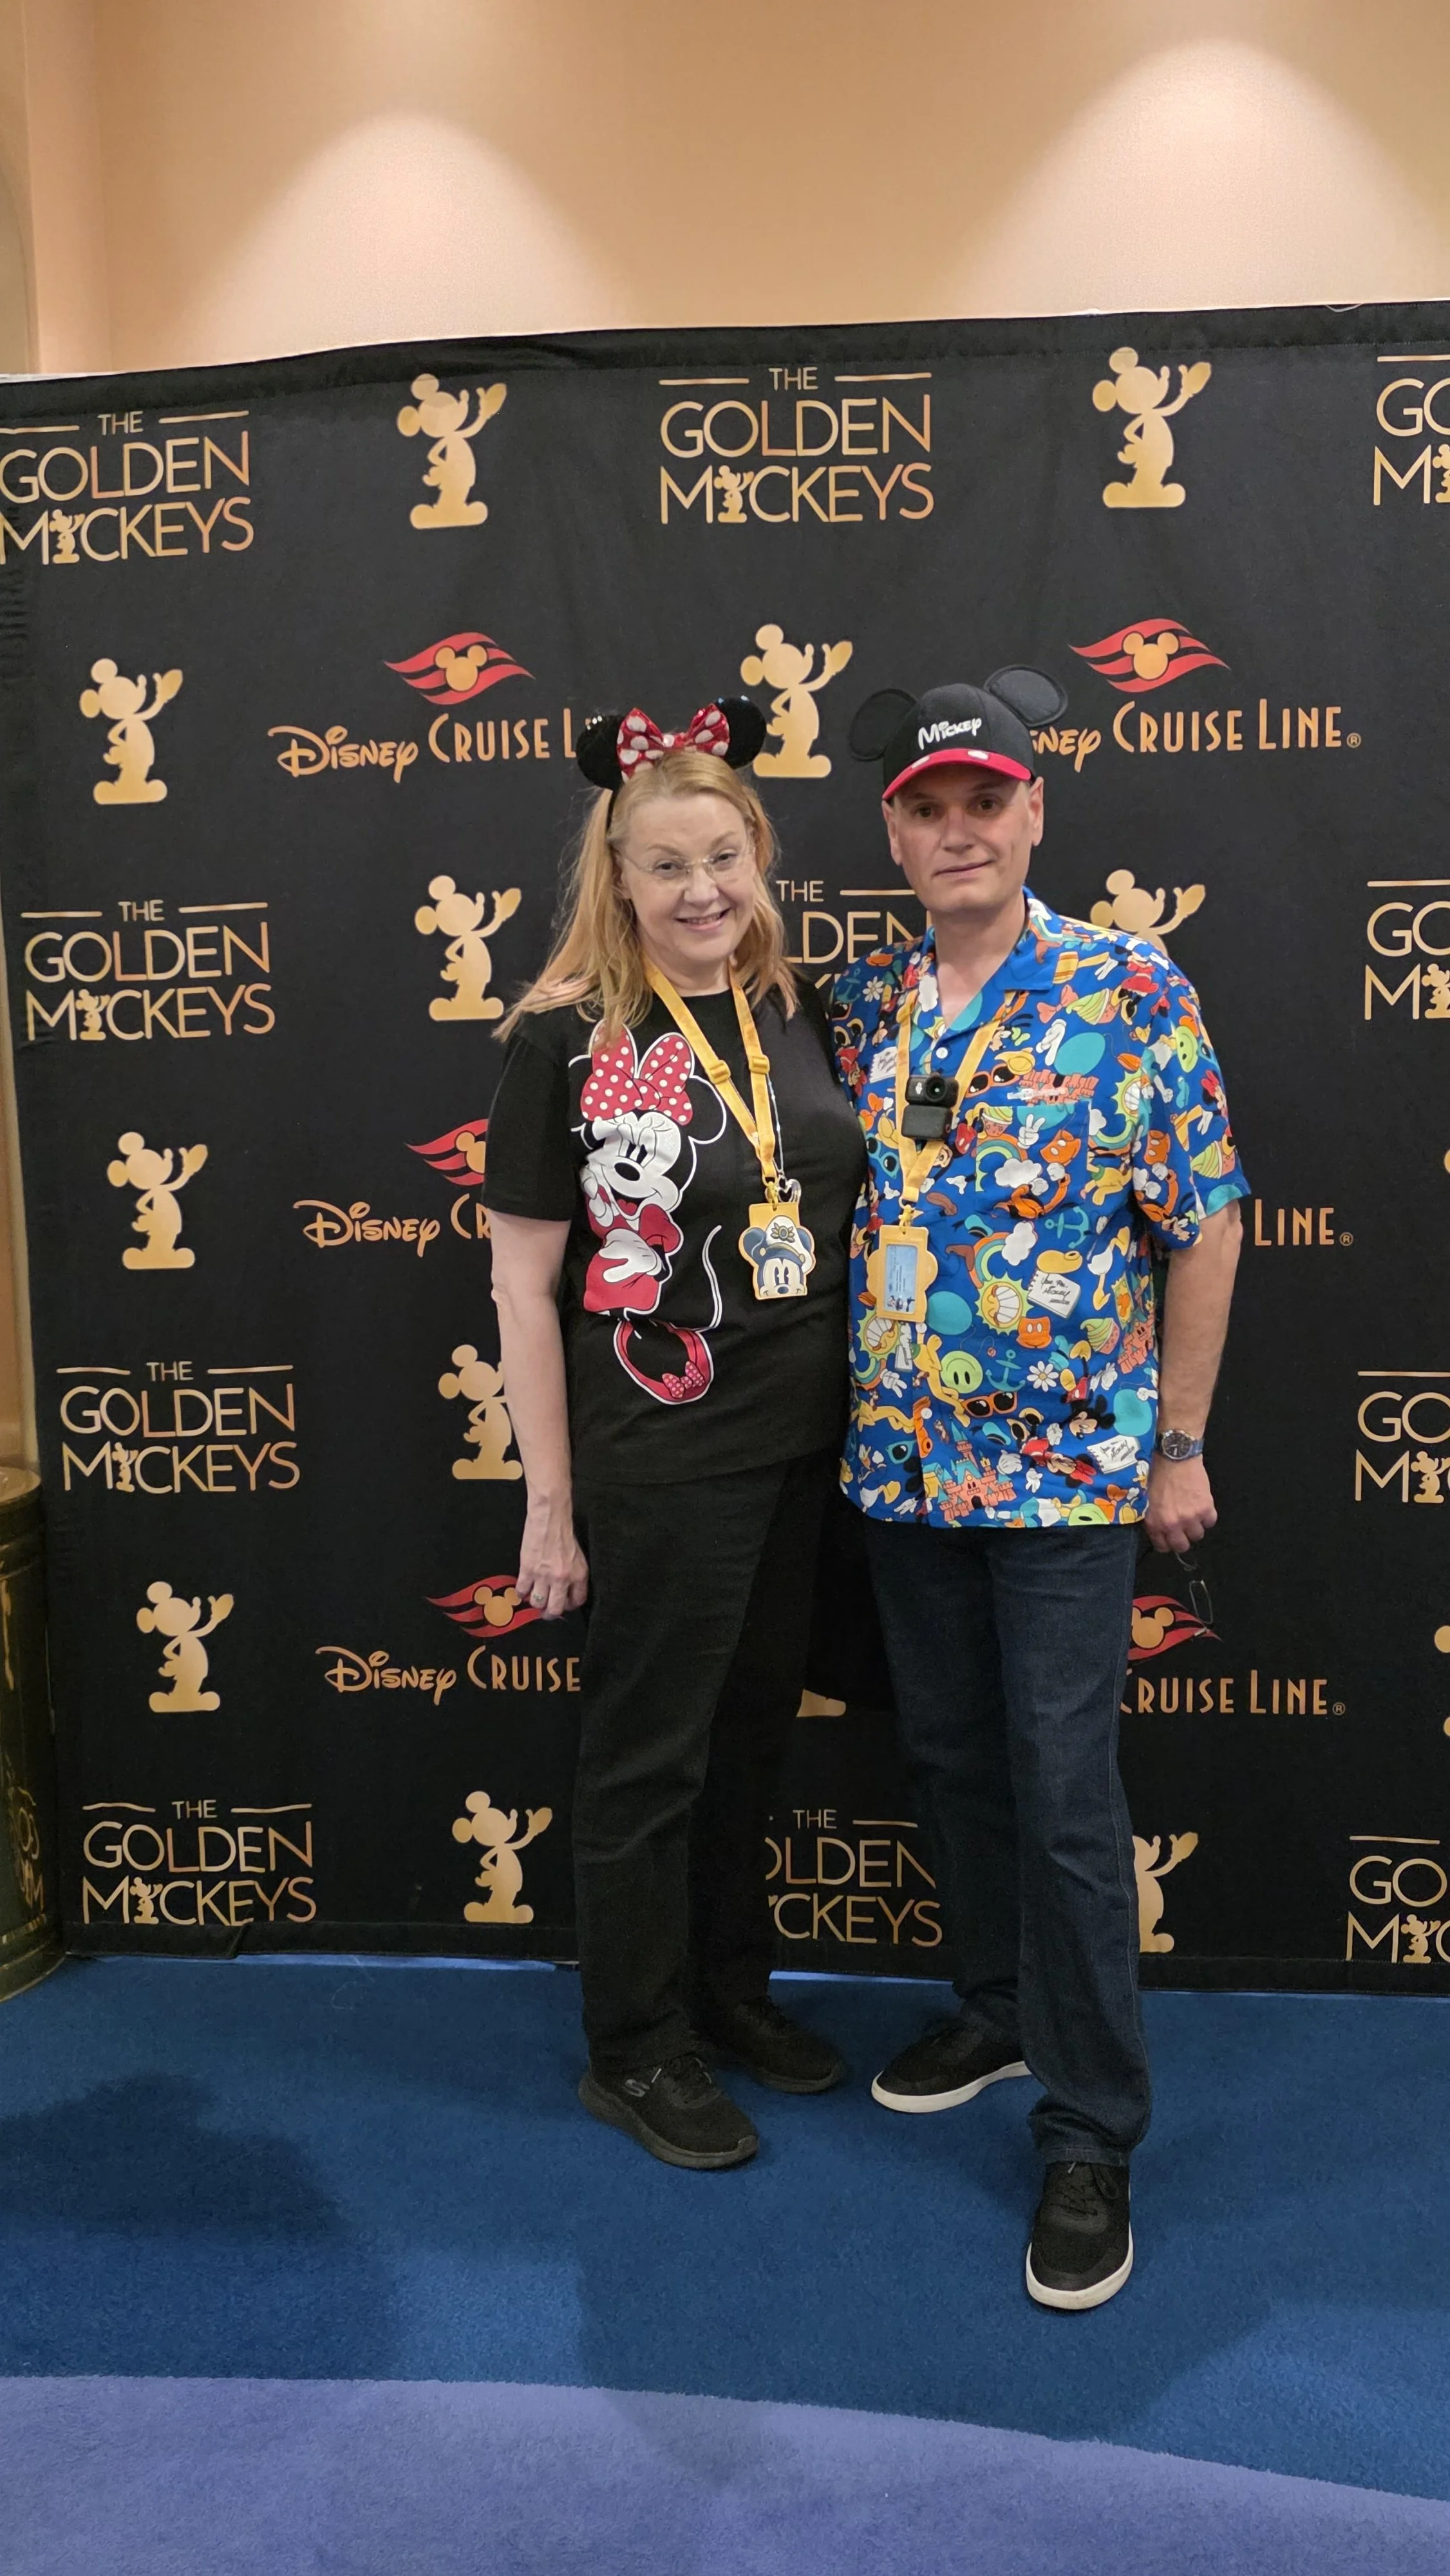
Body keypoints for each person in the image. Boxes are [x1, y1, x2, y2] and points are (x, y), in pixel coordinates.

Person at [829, 668, 1247, 2309]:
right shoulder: (872, 1003)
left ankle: (1089, 2130)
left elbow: (1204, 1217)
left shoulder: (1130, 987)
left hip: (1073, 1472)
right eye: (927, 810)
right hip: (900, 1469)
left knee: (1065, 1787)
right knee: (948, 1754)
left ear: (1034, 810)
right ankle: (998, 2005)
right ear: (894, 828)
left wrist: (1182, 1440)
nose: (957, 831)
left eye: (982, 802)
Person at [483, 694, 867, 2172]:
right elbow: (522, 1281)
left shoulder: (794, 1006)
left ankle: (726, 1994)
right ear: (617, 879)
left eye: (724, 855)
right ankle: (633, 2046)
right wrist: (548, 1502)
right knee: (650, 1754)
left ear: (760, 857)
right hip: (662, 1454)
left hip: (801, 1450)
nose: (700, 888)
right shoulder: (566, 1041)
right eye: (666, 865)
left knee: (751, 1737)